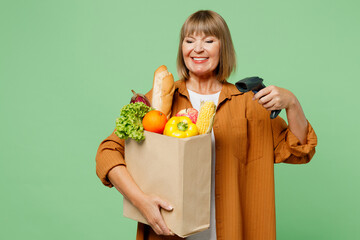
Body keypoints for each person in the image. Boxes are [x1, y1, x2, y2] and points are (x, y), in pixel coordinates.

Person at [95, 10, 317, 240]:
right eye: (189, 41)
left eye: (209, 40)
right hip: (168, 233)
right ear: (182, 49)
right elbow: (107, 153)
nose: (197, 49)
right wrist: (141, 202)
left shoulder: (249, 103)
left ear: (224, 48)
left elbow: (300, 149)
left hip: (234, 231)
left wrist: (292, 103)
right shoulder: (160, 100)